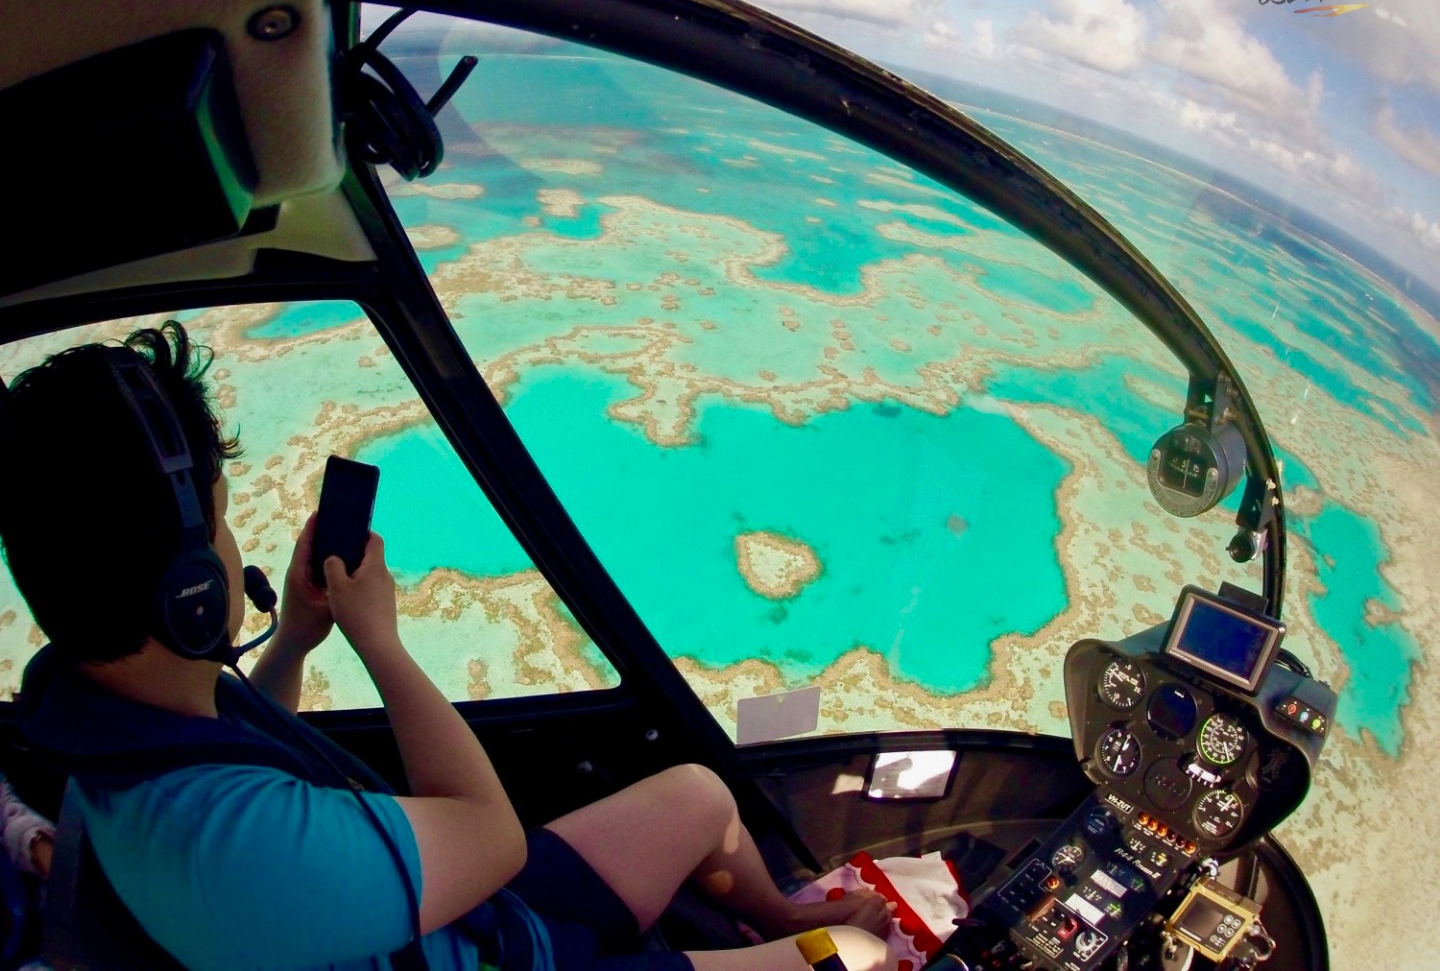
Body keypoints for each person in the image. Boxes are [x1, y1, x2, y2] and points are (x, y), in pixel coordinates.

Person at [0, 323, 896, 971]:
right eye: (228, 521)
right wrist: (380, 645)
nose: (236, 552)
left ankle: (775, 916)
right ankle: (798, 935)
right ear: (189, 591)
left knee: (702, 794)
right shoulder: (233, 847)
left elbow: (243, 743)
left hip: (460, 914)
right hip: (493, 945)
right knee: (852, 954)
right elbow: (491, 840)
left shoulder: (120, 721)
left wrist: (300, 640)